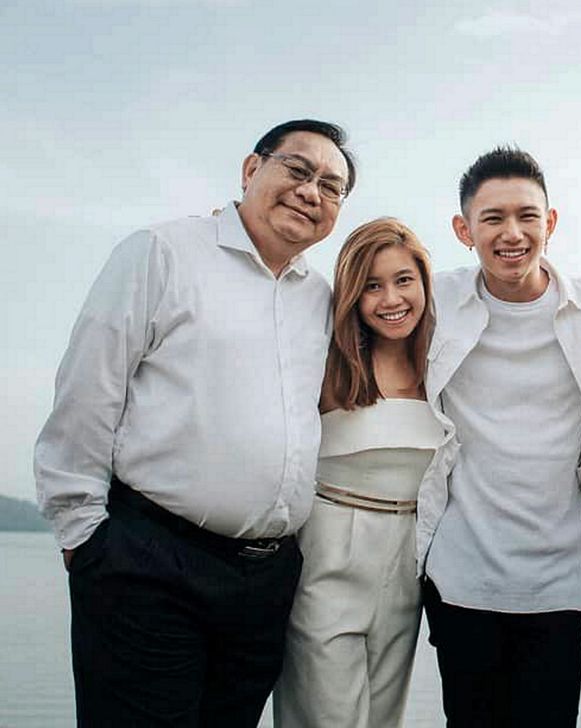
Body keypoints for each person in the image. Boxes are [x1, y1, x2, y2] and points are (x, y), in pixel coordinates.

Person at [34, 119, 355, 727]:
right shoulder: (162, 252)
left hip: (265, 583)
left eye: (332, 186)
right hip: (150, 565)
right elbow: (88, 388)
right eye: (297, 169)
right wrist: (84, 535)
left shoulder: (320, 299)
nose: (312, 192)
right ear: (250, 169)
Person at [417, 147, 581, 727]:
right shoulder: (434, 300)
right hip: (461, 575)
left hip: (560, 581)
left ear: (551, 222)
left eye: (527, 215)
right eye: (492, 218)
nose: (511, 233)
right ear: (463, 229)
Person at [273, 218, 451, 727]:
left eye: (403, 280)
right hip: (330, 548)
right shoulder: (326, 364)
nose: (390, 298)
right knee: (324, 715)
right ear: (352, 293)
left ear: (424, 283)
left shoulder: (444, 364)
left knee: (383, 716)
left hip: (409, 555)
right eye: (372, 285)